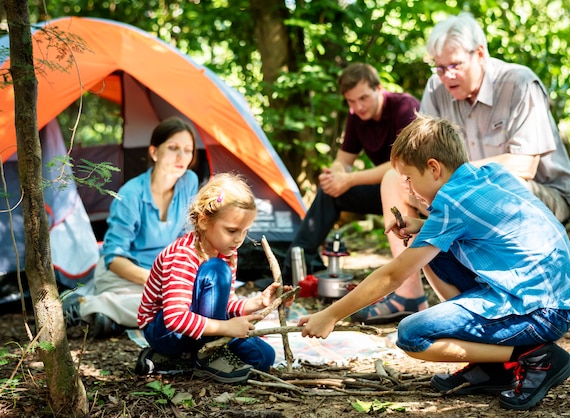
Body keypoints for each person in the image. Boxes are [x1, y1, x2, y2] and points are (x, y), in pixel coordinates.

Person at [299, 114, 570, 410]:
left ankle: (535, 356)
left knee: (412, 336)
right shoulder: (488, 173)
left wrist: (332, 314)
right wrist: (419, 226)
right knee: (434, 251)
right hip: (553, 297)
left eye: (409, 179)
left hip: (540, 313)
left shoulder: (452, 203)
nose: (409, 189)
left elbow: (393, 276)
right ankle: (489, 365)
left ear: (434, 168)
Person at [364, 12, 570, 325]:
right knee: (394, 179)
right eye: (439, 67)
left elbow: (526, 164)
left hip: (540, 192)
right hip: (463, 194)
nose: (446, 75)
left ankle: (500, 314)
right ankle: (409, 292)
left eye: (455, 65)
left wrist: (457, 179)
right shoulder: (436, 88)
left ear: (480, 53)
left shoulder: (519, 84)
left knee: (502, 191)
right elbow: (421, 157)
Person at [283, 62, 428, 324]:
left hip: (415, 188)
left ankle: (408, 292)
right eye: (352, 101)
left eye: (363, 98)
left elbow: (401, 163)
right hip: (383, 189)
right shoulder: (356, 117)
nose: (359, 107)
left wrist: (348, 179)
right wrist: (335, 175)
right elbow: (344, 159)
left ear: (378, 89)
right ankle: (297, 268)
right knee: (330, 193)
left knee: (383, 178)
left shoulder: (404, 107)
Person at [135, 172, 294, 383]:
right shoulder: (183, 255)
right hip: (164, 331)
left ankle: (177, 359)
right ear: (203, 221)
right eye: (231, 230)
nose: (239, 239)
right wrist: (227, 328)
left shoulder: (227, 252)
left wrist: (260, 302)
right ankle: (201, 354)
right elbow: (175, 319)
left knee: (263, 357)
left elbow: (224, 305)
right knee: (216, 269)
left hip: (204, 328)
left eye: (245, 231)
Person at [62, 117, 199, 338]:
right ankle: (86, 308)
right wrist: (159, 281)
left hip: (160, 274)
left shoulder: (189, 181)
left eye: (188, 150)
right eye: (173, 148)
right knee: (177, 307)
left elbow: (189, 237)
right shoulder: (130, 194)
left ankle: (104, 311)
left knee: (189, 301)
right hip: (122, 273)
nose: (181, 157)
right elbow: (114, 258)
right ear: (154, 152)